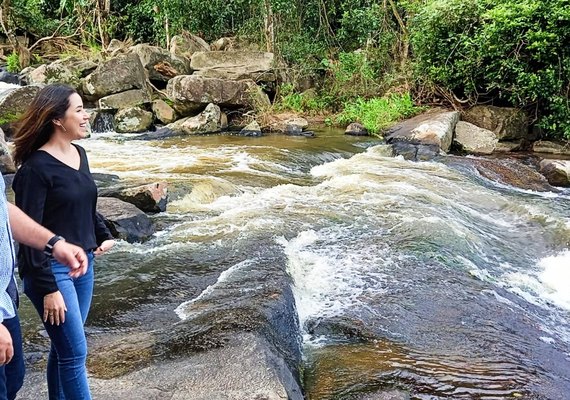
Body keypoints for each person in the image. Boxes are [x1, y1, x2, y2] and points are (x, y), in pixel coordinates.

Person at [11, 83, 115, 400]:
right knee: (75, 353)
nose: (86, 116)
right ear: (58, 119)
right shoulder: (35, 170)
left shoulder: (78, 154)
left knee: (65, 348)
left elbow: (84, 203)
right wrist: (48, 289)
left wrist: (101, 235)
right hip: (51, 270)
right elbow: (28, 235)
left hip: (83, 263)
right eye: (79, 110)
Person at [1, 170, 88, 400]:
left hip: (5, 300)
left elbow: (3, 210)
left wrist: (53, 243)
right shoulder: (36, 169)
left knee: (13, 378)